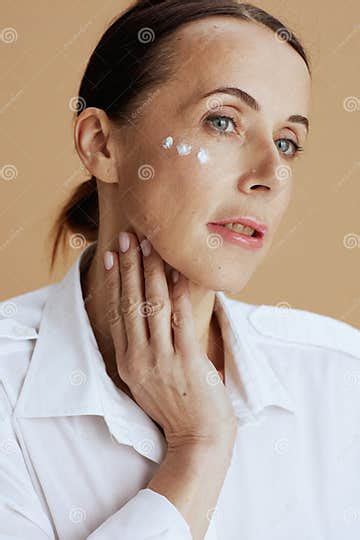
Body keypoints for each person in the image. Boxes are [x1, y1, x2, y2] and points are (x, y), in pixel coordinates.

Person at [1, 1, 359, 539]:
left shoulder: (342, 381)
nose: (272, 173)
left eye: (286, 142)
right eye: (223, 122)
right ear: (102, 144)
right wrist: (200, 447)